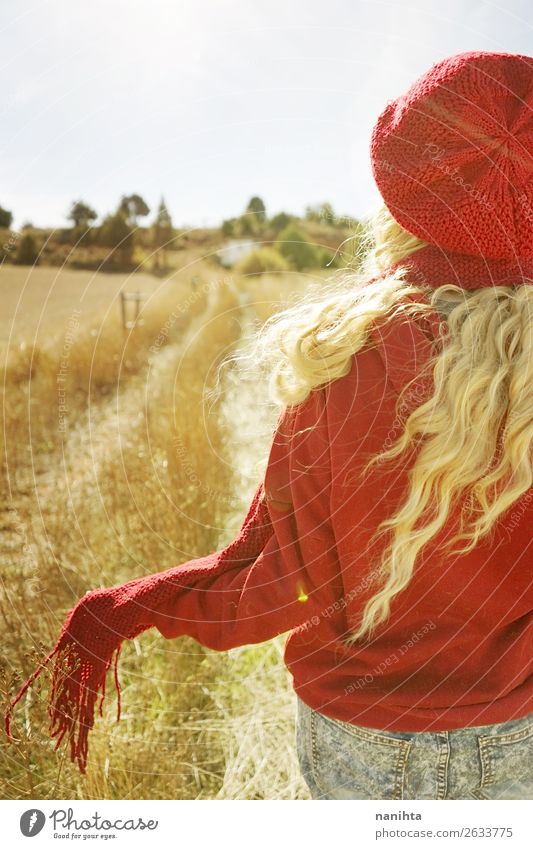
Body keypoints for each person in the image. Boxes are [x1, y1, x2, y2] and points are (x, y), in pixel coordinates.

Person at [5, 50, 533, 800]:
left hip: (363, 744)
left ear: (406, 193)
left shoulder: (344, 358)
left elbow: (270, 585)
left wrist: (123, 608)